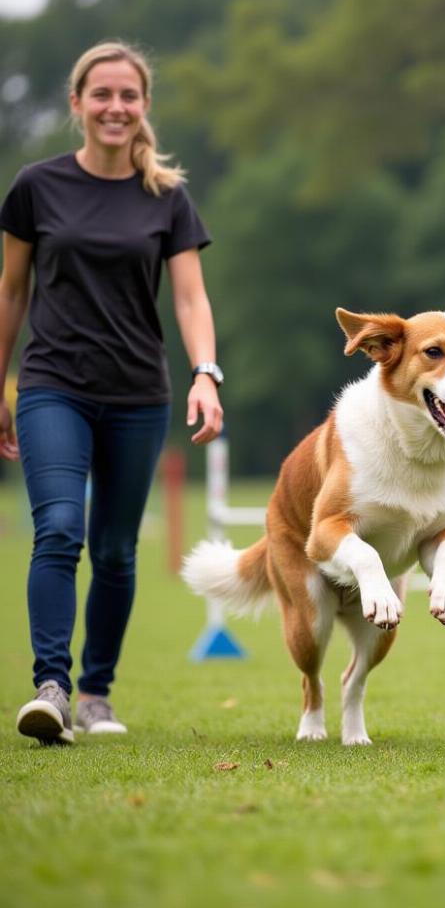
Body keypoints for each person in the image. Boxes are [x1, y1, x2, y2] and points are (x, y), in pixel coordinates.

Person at [0, 41, 224, 744]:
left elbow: (190, 300)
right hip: (51, 386)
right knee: (60, 528)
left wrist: (205, 374)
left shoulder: (167, 198)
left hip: (136, 395)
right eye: (102, 94)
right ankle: (51, 689)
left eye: (129, 96)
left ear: (144, 106)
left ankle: (97, 693)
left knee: (118, 550)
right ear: (77, 103)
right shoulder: (37, 186)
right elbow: (10, 292)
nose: (116, 107)